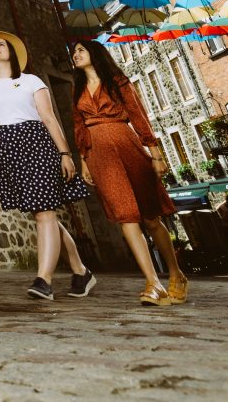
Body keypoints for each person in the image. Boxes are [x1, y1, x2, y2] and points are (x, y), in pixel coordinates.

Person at [0, 30, 95, 301]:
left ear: (12, 52)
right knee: (42, 212)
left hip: (36, 142)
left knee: (43, 213)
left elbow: (48, 117)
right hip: (7, 147)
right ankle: (81, 271)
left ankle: (43, 281)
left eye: (2, 44)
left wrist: (64, 153)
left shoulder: (31, 81)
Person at [69, 39, 187, 307]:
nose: (75, 55)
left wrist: (155, 153)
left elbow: (138, 115)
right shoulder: (77, 89)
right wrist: (84, 159)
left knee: (151, 217)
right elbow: (79, 126)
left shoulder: (118, 82)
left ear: (94, 54)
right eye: (73, 52)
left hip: (127, 144)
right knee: (125, 216)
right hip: (99, 154)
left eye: (80, 50)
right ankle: (153, 283)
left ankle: (176, 274)